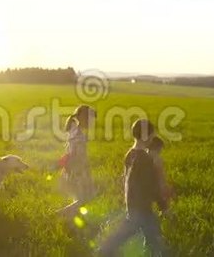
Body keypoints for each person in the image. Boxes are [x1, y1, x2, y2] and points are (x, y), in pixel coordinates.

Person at [99, 119, 167, 256]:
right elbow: (152, 187)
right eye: (152, 135)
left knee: (138, 232)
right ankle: (105, 250)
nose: (153, 138)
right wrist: (163, 206)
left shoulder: (130, 154)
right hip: (143, 207)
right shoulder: (146, 160)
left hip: (132, 203)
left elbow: (125, 180)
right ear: (147, 136)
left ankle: (106, 250)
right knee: (155, 241)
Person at [57, 105, 97, 218]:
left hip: (74, 169)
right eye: (90, 120)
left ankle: (72, 216)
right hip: (78, 169)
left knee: (81, 197)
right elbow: (75, 154)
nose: (91, 123)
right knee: (85, 197)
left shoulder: (73, 128)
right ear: (83, 118)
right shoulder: (78, 135)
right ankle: (61, 214)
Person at [147, 137, 172, 211]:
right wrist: (163, 186)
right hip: (156, 186)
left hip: (145, 186)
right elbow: (160, 174)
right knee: (163, 204)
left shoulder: (144, 156)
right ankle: (167, 215)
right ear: (158, 148)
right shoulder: (157, 158)